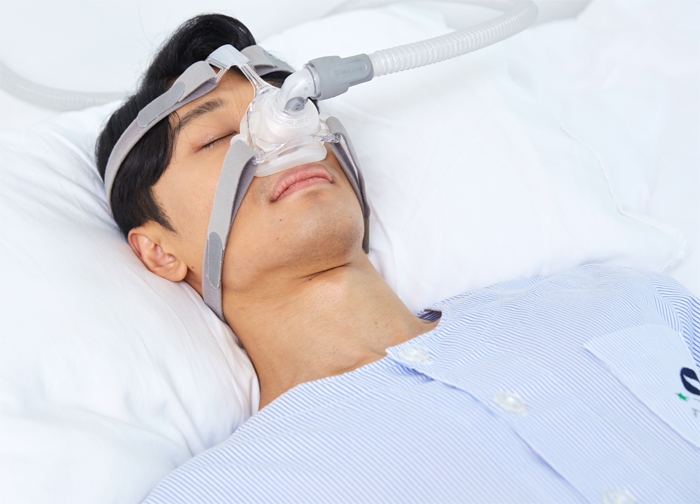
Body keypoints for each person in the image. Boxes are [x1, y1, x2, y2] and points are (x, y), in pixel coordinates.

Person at [96, 14, 699, 504]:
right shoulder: (231, 491)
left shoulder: (622, 303)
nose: (281, 135)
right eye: (217, 138)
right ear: (159, 251)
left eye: (288, 108)